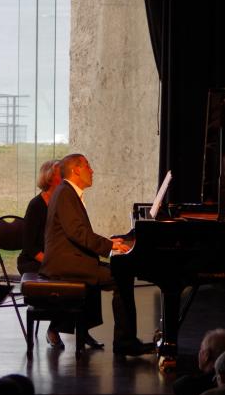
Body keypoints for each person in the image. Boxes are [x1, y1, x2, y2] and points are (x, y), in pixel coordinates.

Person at [40, 153, 153, 356]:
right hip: (64, 264)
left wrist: (111, 243)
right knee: (121, 276)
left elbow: (79, 233)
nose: (92, 171)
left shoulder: (68, 193)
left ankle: (125, 340)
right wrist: (110, 246)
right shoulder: (65, 193)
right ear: (75, 170)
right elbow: (78, 233)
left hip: (70, 260)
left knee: (120, 273)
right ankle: (125, 342)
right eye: (87, 166)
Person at [17, 159, 62, 275]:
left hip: (55, 258)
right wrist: (51, 261)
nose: (65, 178)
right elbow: (29, 246)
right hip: (34, 260)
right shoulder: (36, 205)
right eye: (61, 174)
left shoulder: (62, 202)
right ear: (49, 178)